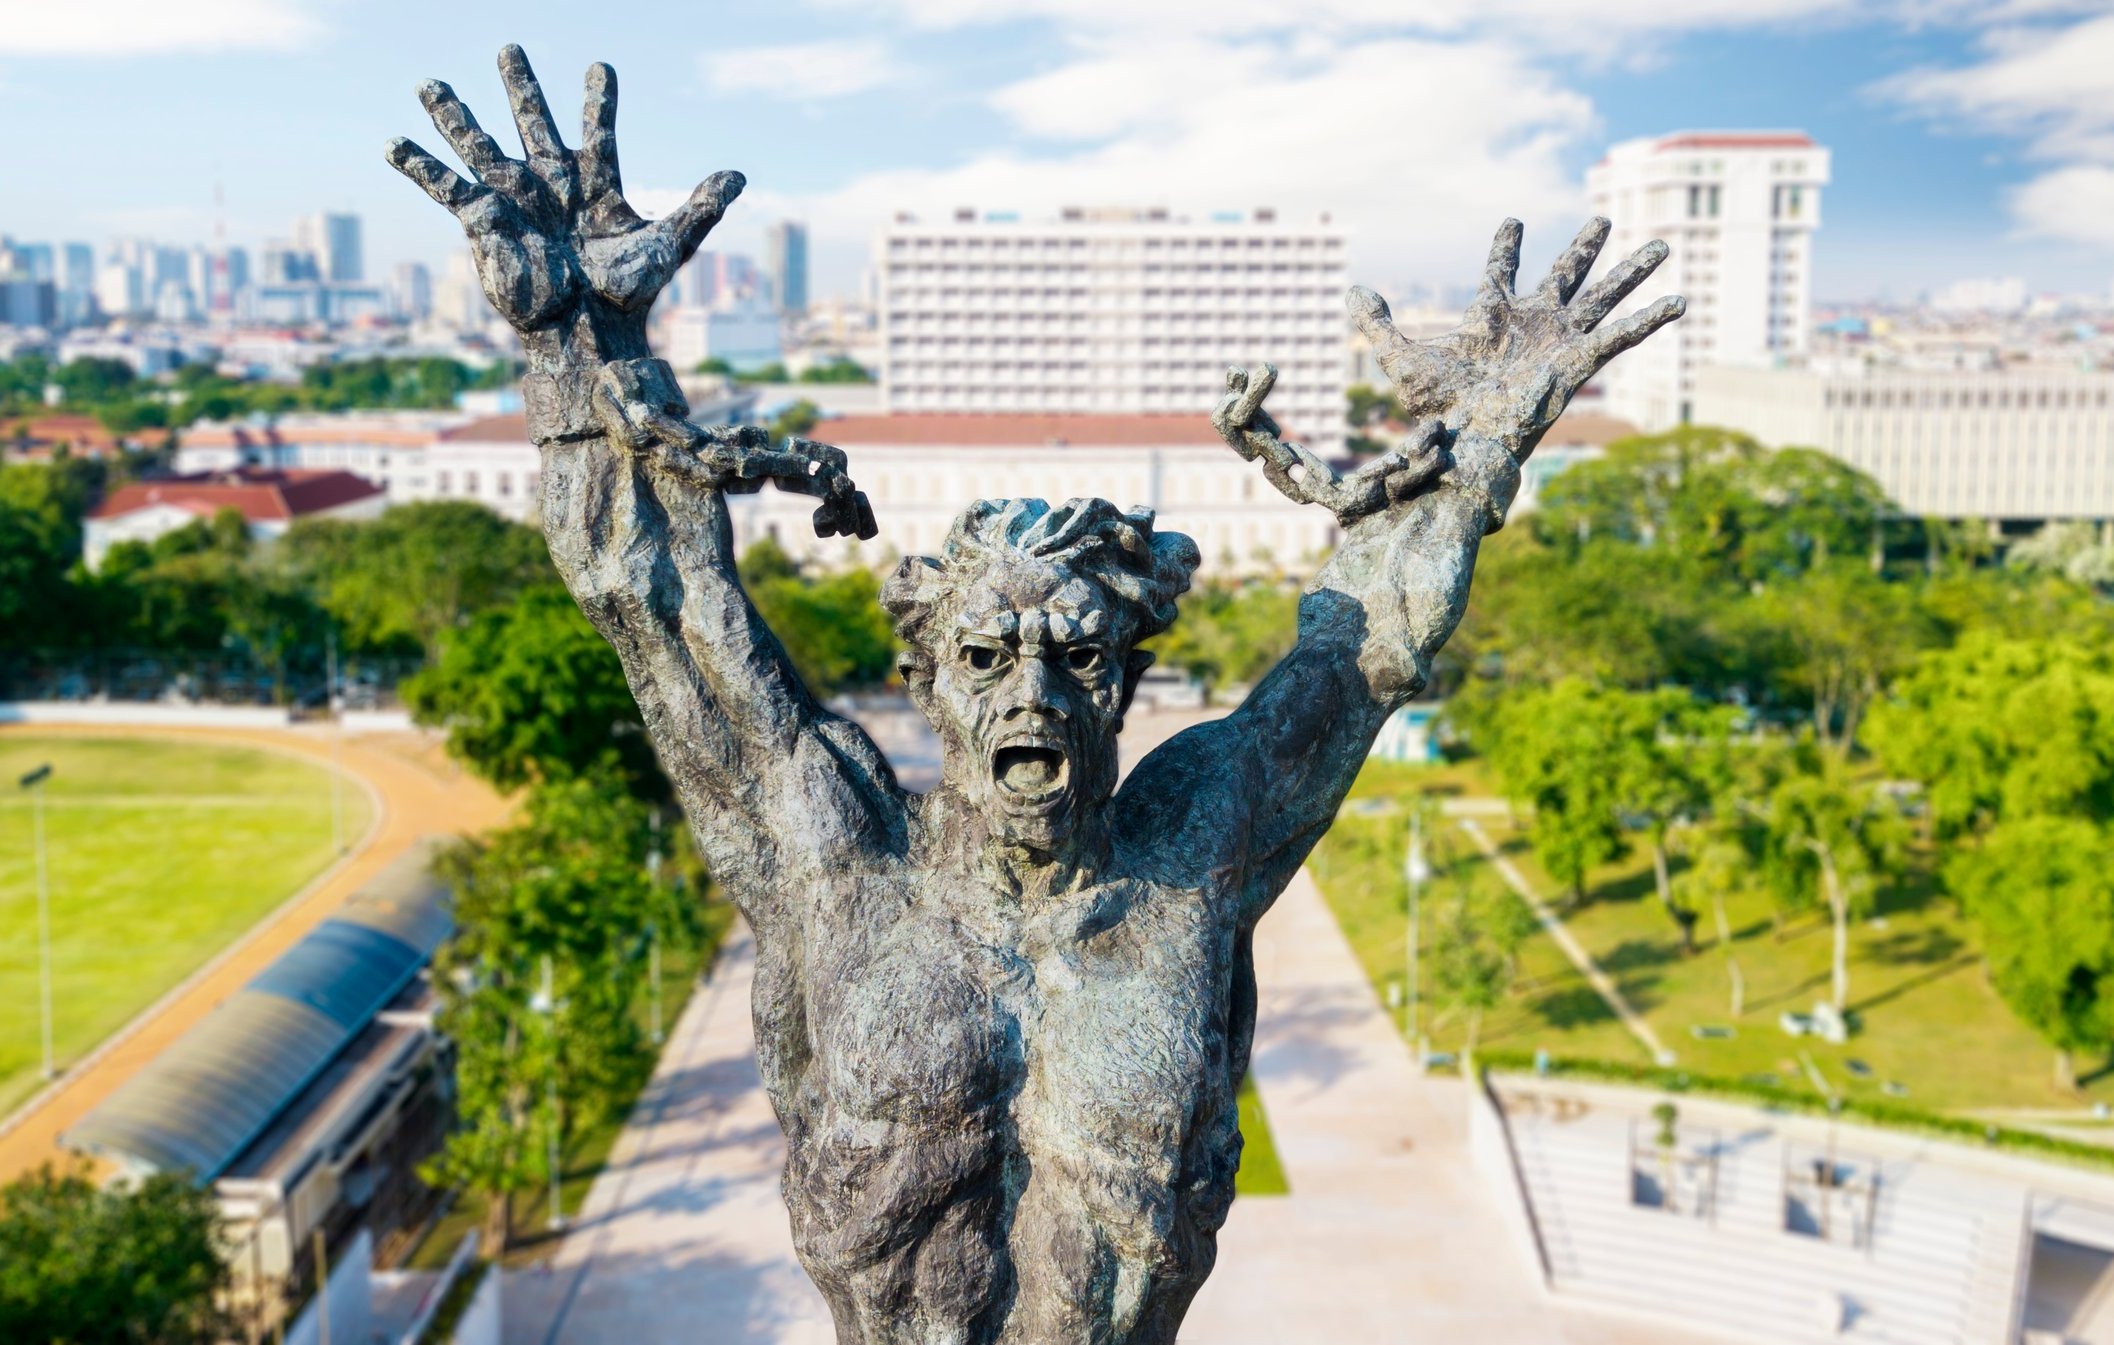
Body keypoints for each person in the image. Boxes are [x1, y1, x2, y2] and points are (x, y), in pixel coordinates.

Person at [387, 46, 1682, 1344]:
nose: (1035, 695)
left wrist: (1470, 456)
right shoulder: (831, 865)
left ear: (1125, 679)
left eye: (1077, 656)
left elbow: (1367, 649)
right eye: (987, 657)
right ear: (923, 679)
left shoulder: (1194, 854)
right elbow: (653, 599)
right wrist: (575, 354)